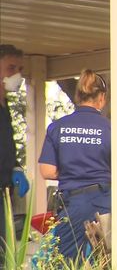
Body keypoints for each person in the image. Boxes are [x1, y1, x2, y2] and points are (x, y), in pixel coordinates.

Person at [38, 69, 110, 260]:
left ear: (78, 96)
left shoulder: (57, 127)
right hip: (105, 202)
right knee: (106, 259)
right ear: (101, 98)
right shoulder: (110, 128)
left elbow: (47, 171)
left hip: (73, 204)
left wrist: (73, 171)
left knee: (67, 260)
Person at [0, 44, 30, 264]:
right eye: (11, 67)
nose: (16, 75)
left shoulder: (5, 106)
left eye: (19, 69)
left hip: (4, 193)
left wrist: (16, 167)